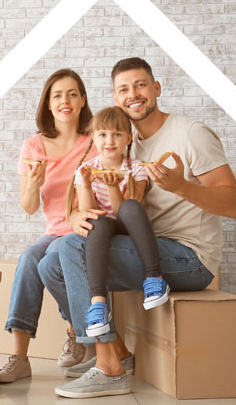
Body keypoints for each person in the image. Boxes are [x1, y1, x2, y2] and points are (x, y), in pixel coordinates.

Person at [41, 57, 236, 398]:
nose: (133, 94)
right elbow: (93, 196)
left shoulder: (190, 134)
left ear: (156, 89)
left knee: (69, 249)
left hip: (188, 257)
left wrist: (182, 186)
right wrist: (77, 215)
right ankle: (116, 350)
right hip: (146, 244)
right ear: (115, 99)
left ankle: (108, 368)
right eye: (123, 89)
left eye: (140, 85)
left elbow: (234, 206)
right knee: (49, 264)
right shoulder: (124, 141)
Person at [0, 68, 97, 383]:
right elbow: (28, 207)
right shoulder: (33, 147)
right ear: (48, 104)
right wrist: (33, 184)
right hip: (53, 232)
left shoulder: (95, 142)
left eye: (71, 93)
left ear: (82, 100)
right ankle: (19, 357)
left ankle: (75, 331)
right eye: (57, 95)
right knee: (30, 258)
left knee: (53, 258)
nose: (64, 100)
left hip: (84, 232)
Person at [66, 106, 168, 339]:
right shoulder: (85, 170)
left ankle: (154, 278)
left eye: (117, 134)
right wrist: (86, 184)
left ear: (128, 138)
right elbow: (86, 211)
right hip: (103, 229)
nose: (109, 141)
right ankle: (98, 303)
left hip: (128, 224)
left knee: (131, 206)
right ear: (93, 138)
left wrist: (113, 187)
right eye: (102, 135)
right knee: (97, 222)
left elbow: (129, 209)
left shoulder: (136, 169)